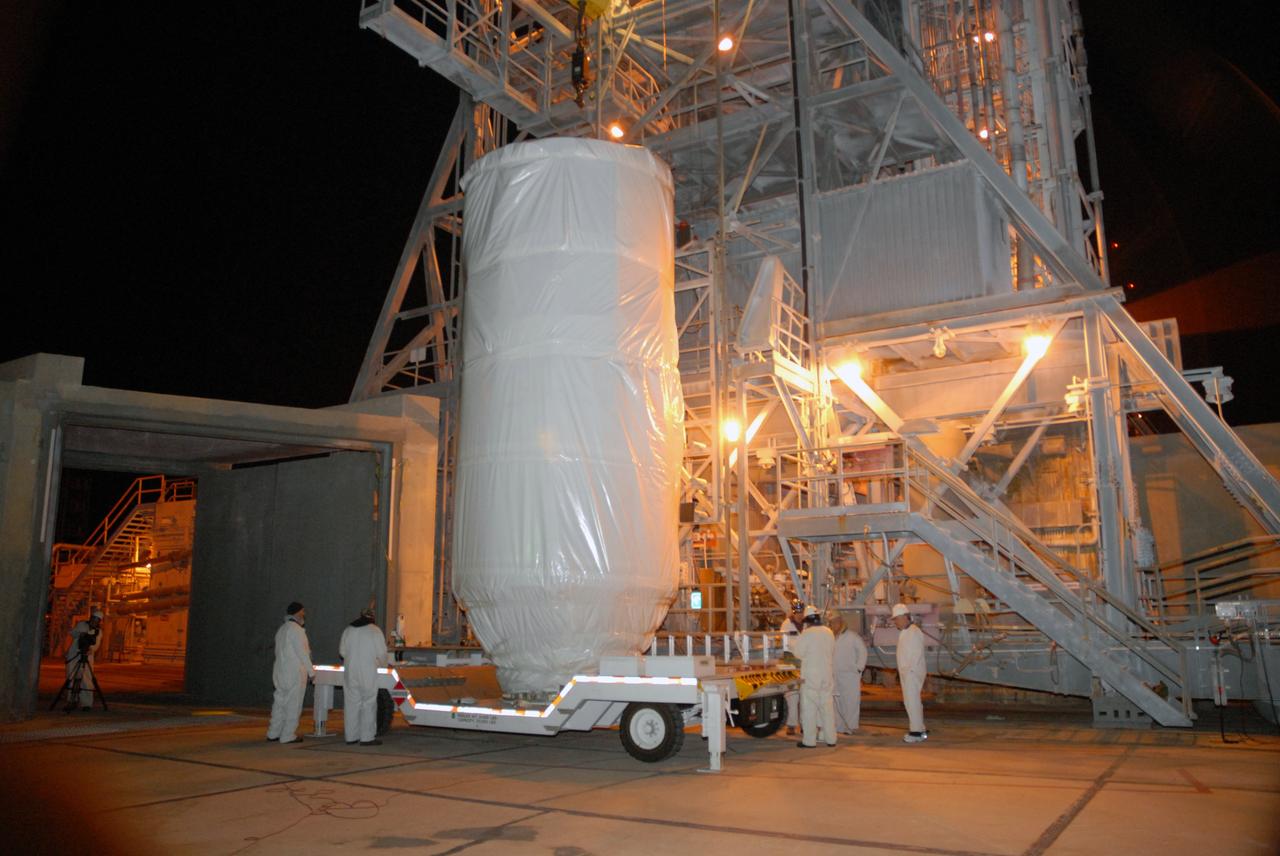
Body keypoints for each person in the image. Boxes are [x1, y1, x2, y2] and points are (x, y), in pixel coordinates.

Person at [339, 606, 389, 746]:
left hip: (350, 672)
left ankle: (351, 737)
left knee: (351, 704)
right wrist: (383, 666)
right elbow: (382, 654)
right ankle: (367, 737)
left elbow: (342, 652)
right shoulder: (374, 630)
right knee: (369, 703)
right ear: (372, 616)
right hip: (368, 672)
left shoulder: (348, 630)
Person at [790, 605, 837, 748]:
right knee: (827, 709)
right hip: (827, 676)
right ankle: (831, 739)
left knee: (809, 710)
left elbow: (798, 653)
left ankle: (809, 741)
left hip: (811, 677)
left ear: (806, 620)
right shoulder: (829, 632)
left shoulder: (807, 634)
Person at [267, 601, 313, 744]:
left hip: (280, 671)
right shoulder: (296, 630)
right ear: (298, 612)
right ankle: (288, 735)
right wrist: (312, 672)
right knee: (294, 703)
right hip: (294, 673)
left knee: (279, 703)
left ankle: (273, 733)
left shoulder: (282, 629)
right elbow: (302, 653)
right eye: (303, 611)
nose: (304, 614)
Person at [892, 603, 928, 743]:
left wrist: (908, 670)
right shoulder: (907, 632)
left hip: (911, 673)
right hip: (908, 672)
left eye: (896, 619)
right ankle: (921, 728)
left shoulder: (913, 631)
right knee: (912, 701)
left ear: (904, 617)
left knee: (912, 701)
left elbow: (916, 654)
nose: (895, 622)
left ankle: (916, 732)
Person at [830, 612, 868, 733]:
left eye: (835, 622)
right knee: (837, 703)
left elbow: (863, 651)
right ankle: (839, 726)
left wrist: (858, 668)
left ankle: (850, 727)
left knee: (850, 701)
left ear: (840, 622)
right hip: (835, 675)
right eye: (831, 623)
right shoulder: (831, 637)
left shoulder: (852, 636)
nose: (833, 625)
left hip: (850, 675)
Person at [65, 608, 103, 710]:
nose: (94, 621)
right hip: (74, 654)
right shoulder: (82, 625)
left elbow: (96, 645)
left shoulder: (98, 632)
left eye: (97, 620)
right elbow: (72, 633)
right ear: (91, 618)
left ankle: (86, 703)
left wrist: (90, 649)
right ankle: (71, 700)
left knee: (86, 679)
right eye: (93, 619)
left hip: (87, 656)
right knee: (71, 677)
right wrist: (80, 633)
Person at [780, 600, 803, 735]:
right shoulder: (786, 625)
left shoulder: (807, 625)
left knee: (805, 697)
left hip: (804, 664)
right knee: (792, 696)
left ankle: (805, 725)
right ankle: (791, 724)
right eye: (797, 613)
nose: (799, 615)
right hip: (791, 664)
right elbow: (784, 646)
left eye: (801, 612)